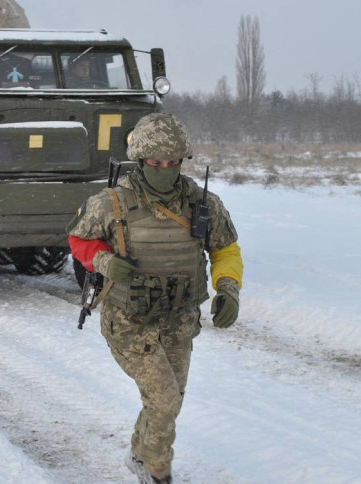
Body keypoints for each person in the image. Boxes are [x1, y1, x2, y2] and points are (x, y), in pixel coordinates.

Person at [68, 113, 243, 483]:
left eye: (172, 162)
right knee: (164, 400)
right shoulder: (110, 203)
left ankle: (138, 453)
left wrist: (228, 288)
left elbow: (225, 249)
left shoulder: (203, 203)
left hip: (179, 319)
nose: (165, 169)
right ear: (140, 161)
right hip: (129, 320)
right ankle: (157, 472)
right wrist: (103, 260)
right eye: (155, 163)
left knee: (168, 399)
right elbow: (79, 239)